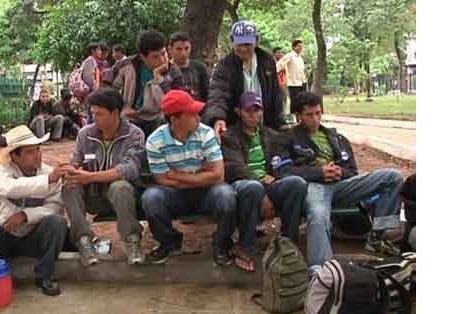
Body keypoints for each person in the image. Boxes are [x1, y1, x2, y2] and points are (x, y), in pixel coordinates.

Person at [286, 92, 403, 271]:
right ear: (298, 116)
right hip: (314, 187)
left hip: (342, 185)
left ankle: (377, 237)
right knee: (318, 214)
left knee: (393, 177)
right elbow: (284, 171)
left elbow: (352, 170)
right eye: (309, 115)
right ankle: (321, 272)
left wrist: (339, 171)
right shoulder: (289, 138)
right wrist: (319, 172)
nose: (315, 119)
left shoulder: (335, 137)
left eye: (318, 113)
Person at [0, 125, 69, 296]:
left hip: (34, 236)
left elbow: (54, 208)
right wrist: (47, 180)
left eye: (38, 149)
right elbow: (8, 189)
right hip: (3, 235)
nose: (38, 155)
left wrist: (26, 215)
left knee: (57, 222)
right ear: (14, 156)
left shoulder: (49, 172)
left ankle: (44, 277)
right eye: (30, 152)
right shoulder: (3, 172)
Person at [141, 90, 237, 266]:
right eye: (191, 114)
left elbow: (218, 175)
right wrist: (201, 174)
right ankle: (169, 243)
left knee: (226, 194)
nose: (198, 117)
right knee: (151, 198)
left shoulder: (206, 133)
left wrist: (177, 175)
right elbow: (161, 179)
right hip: (176, 194)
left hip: (205, 192)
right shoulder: (155, 140)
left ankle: (221, 242)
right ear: (174, 119)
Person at [220, 92, 308, 266]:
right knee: (253, 188)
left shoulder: (270, 134)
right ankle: (245, 247)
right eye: (248, 111)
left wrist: (275, 178)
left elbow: (282, 161)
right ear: (239, 111)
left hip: (269, 183)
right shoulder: (230, 136)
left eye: (257, 110)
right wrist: (262, 188)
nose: (254, 115)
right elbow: (236, 168)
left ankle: (288, 244)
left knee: (296, 184)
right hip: (244, 184)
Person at [61, 88, 146, 265]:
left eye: (99, 114)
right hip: (94, 196)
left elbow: (129, 169)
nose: (94, 118)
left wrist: (90, 177)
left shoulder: (134, 134)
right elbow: (75, 161)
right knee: (70, 186)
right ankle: (84, 241)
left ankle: (131, 240)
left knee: (120, 186)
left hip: (125, 198)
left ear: (115, 113)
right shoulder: (85, 134)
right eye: (92, 113)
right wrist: (71, 170)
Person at [203, 20, 285, 139]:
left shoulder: (267, 62)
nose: (243, 49)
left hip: (265, 127)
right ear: (232, 42)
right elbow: (218, 93)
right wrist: (218, 118)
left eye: (247, 44)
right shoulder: (225, 66)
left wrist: (279, 123)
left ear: (256, 42)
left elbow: (275, 96)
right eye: (239, 44)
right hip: (236, 129)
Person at [112, 30, 184, 136]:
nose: (162, 60)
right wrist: (120, 107)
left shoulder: (173, 71)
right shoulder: (126, 66)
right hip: (130, 118)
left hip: (159, 119)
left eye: (163, 53)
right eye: (155, 56)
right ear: (143, 57)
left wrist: (159, 79)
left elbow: (177, 101)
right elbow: (108, 89)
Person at [168, 31, 210, 102]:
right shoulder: (166, 69)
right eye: (179, 49)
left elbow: (207, 95)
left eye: (186, 48)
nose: (183, 53)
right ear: (170, 49)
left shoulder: (200, 68)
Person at [276, 40, 307, 114]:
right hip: (293, 83)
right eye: (299, 46)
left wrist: (304, 81)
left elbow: (301, 71)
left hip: (301, 83)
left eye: (301, 46)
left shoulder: (300, 58)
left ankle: (300, 117)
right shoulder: (290, 55)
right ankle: (293, 117)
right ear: (294, 47)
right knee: (294, 101)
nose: (300, 48)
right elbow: (279, 64)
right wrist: (274, 73)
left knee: (301, 102)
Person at [272, 47, 290, 116]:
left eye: (281, 52)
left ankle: (283, 114)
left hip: (283, 83)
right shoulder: (271, 62)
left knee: (284, 98)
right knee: (276, 99)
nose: (280, 54)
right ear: (274, 54)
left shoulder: (284, 62)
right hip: (274, 83)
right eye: (278, 52)